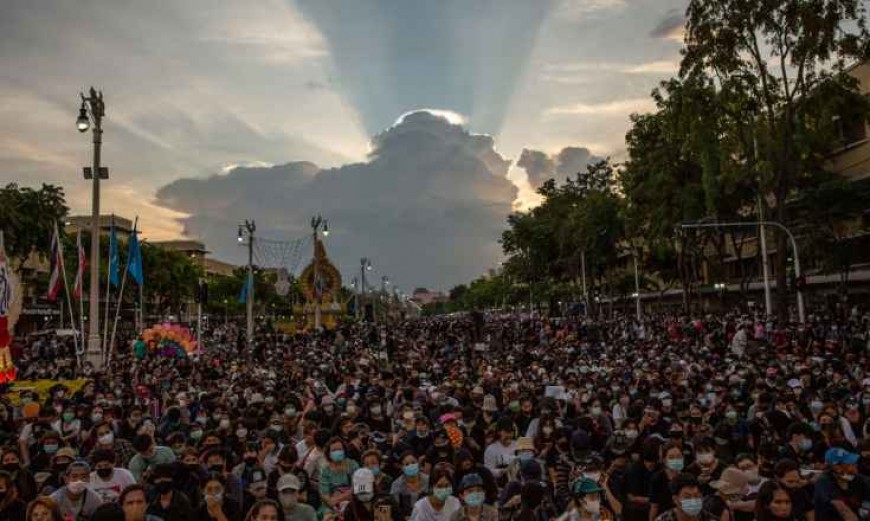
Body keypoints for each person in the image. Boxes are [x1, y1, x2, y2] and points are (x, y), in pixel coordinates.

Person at [812, 448, 869, 521]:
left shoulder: (858, 479)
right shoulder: (824, 482)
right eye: (850, 464)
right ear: (837, 467)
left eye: (854, 463)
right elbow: (843, 509)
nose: (855, 468)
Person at [653, 473, 718, 521]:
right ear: (675, 499)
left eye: (696, 496)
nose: (693, 501)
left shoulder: (710, 519)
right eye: (687, 497)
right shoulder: (663, 519)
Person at [391, 452, 430, 519]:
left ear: (418, 463)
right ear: (402, 467)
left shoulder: (428, 480)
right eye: (407, 464)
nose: (411, 465)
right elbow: (395, 508)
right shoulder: (396, 484)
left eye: (413, 462)